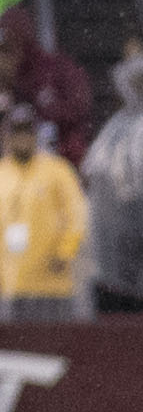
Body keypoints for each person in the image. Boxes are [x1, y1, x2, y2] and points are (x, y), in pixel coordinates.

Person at [0, 110, 82, 319]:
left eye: (27, 132)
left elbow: (76, 216)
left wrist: (65, 252)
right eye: (16, 132)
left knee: (51, 347)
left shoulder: (56, 171)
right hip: (8, 284)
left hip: (50, 283)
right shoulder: (3, 173)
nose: (22, 138)